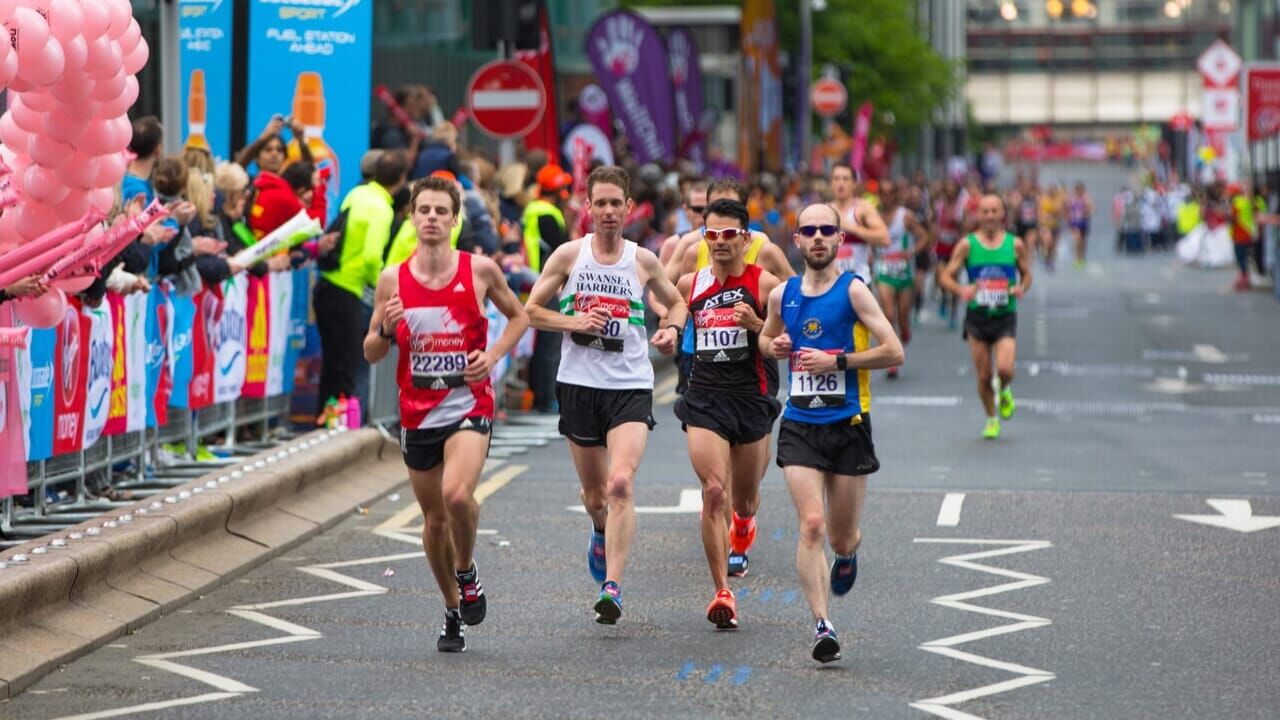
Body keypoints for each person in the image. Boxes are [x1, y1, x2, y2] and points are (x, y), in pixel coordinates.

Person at [363, 175, 530, 653]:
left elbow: (519, 316)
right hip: (418, 411)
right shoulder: (393, 280)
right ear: (412, 217)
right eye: (425, 210)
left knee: (458, 495)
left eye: (441, 211)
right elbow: (371, 351)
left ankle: (466, 570)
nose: (432, 218)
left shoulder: (479, 270)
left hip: (467, 402)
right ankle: (452, 606)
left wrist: (492, 356)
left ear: (455, 220)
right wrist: (386, 329)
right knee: (435, 521)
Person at [522, 165, 686, 625]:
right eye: (602, 203)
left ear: (629, 208)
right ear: (588, 207)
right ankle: (599, 528)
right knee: (596, 496)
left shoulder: (642, 259)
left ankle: (612, 586)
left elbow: (677, 302)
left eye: (617, 203)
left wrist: (672, 329)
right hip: (579, 385)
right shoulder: (568, 256)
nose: (609, 211)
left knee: (620, 485)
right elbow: (530, 311)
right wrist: (573, 321)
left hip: (629, 384)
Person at [757, 203, 904, 663]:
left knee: (841, 537)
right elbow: (765, 339)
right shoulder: (782, 295)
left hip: (848, 423)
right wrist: (775, 345)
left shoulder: (854, 291)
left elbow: (893, 351)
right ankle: (823, 625)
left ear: (840, 239)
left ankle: (847, 553)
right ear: (797, 240)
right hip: (800, 423)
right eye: (809, 231)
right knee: (811, 525)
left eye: (826, 230)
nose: (818, 237)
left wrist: (836, 362)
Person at [674, 199, 782, 629]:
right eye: (712, 235)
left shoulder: (765, 283)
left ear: (745, 237)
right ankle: (722, 591)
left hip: (751, 398)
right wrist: (667, 329)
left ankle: (744, 523)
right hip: (705, 398)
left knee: (744, 498)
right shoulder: (691, 282)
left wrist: (757, 325)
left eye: (728, 235)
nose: (719, 242)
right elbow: (671, 311)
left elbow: (786, 338)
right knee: (714, 491)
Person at [315, 151, 409, 416]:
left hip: (327, 283)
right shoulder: (382, 208)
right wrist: (382, 285)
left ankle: (325, 420)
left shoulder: (358, 194)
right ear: (401, 180)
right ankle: (341, 424)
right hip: (348, 290)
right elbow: (370, 257)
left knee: (331, 362)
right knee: (347, 364)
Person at [938, 195, 1033, 439]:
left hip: (1004, 315)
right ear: (978, 215)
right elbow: (945, 276)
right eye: (985, 211)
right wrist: (962, 290)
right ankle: (992, 418)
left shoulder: (1015, 244)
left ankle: (1005, 389)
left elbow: (1027, 274)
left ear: (1003, 214)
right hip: (977, 317)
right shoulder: (967, 244)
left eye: (994, 211)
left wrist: (1021, 287)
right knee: (984, 375)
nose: (990, 216)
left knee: (1005, 369)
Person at [872, 180, 930, 379]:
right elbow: (869, 239)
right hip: (884, 272)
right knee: (888, 315)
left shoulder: (905, 216)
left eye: (890, 192)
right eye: (883, 193)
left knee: (903, 317)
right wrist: (871, 252)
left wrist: (911, 251)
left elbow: (924, 237)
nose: (887, 196)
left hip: (904, 273)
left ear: (895, 194)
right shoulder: (874, 216)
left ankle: (904, 330)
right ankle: (892, 362)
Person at [829, 163, 890, 281]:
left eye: (845, 179)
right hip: (831, 283)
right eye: (836, 179)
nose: (841, 183)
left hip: (859, 281)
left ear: (854, 183)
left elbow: (885, 238)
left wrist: (852, 228)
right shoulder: (825, 211)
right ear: (831, 183)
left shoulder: (863, 208)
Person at [932, 180, 965, 329]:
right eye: (948, 189)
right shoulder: (939, 206)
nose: (950, 192)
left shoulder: (960, 207)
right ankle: (944, 297)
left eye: (953, 189)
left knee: (954, 279)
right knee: (941, 277)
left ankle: (953, 313)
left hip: (955, 247)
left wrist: (958, 223)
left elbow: (965, 227)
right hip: (941, 247)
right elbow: (934, 224)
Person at [1066, 181, 1094, 270]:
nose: (1079, 191)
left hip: (1083, 222)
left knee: (1083, 241)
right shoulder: (1071, 198)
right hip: (1074, 222)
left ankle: (1082, 257)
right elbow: (1066, 209)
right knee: (1077, 240)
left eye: (1081, 189)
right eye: (1078, 189)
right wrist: (1068, 217)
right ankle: (1077, 258)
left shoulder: (1086, 198)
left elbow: (1092, 209)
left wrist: (1086, 212)